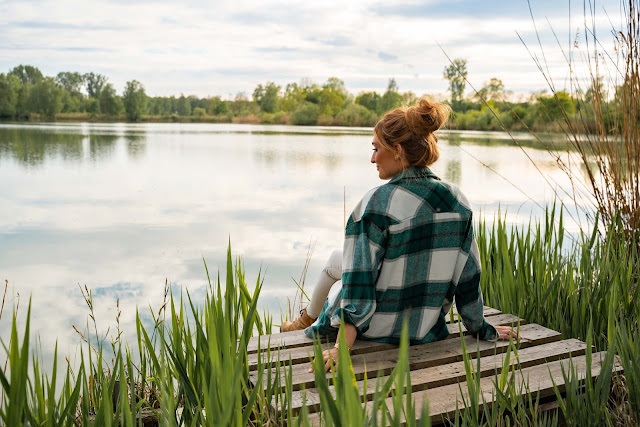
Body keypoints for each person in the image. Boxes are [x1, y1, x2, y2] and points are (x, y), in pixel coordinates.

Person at [280, 98, 517, 372]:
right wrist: (481, 328)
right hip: (422, 330)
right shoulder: (457, 201)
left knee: (340, 272)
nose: (372, 158)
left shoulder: (375, 204)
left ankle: (304, 319)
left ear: (397, 150)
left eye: (376, 149)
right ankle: (304, 318)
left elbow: (359, 287)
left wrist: (340, 348)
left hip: (372, 329)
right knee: (341, 262)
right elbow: (468, 279)